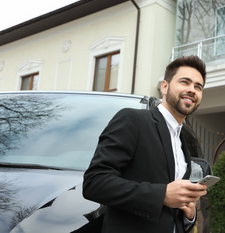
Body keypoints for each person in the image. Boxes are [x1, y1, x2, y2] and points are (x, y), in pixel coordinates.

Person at [83, 55, 208, 233]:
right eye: (185, 82)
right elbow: (94, 182)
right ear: (164, 86)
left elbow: (171, 215)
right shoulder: (133, 120)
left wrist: (189, 216)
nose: (192, 90)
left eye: (198, 87)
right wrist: (162, 195)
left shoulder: (183, 143)